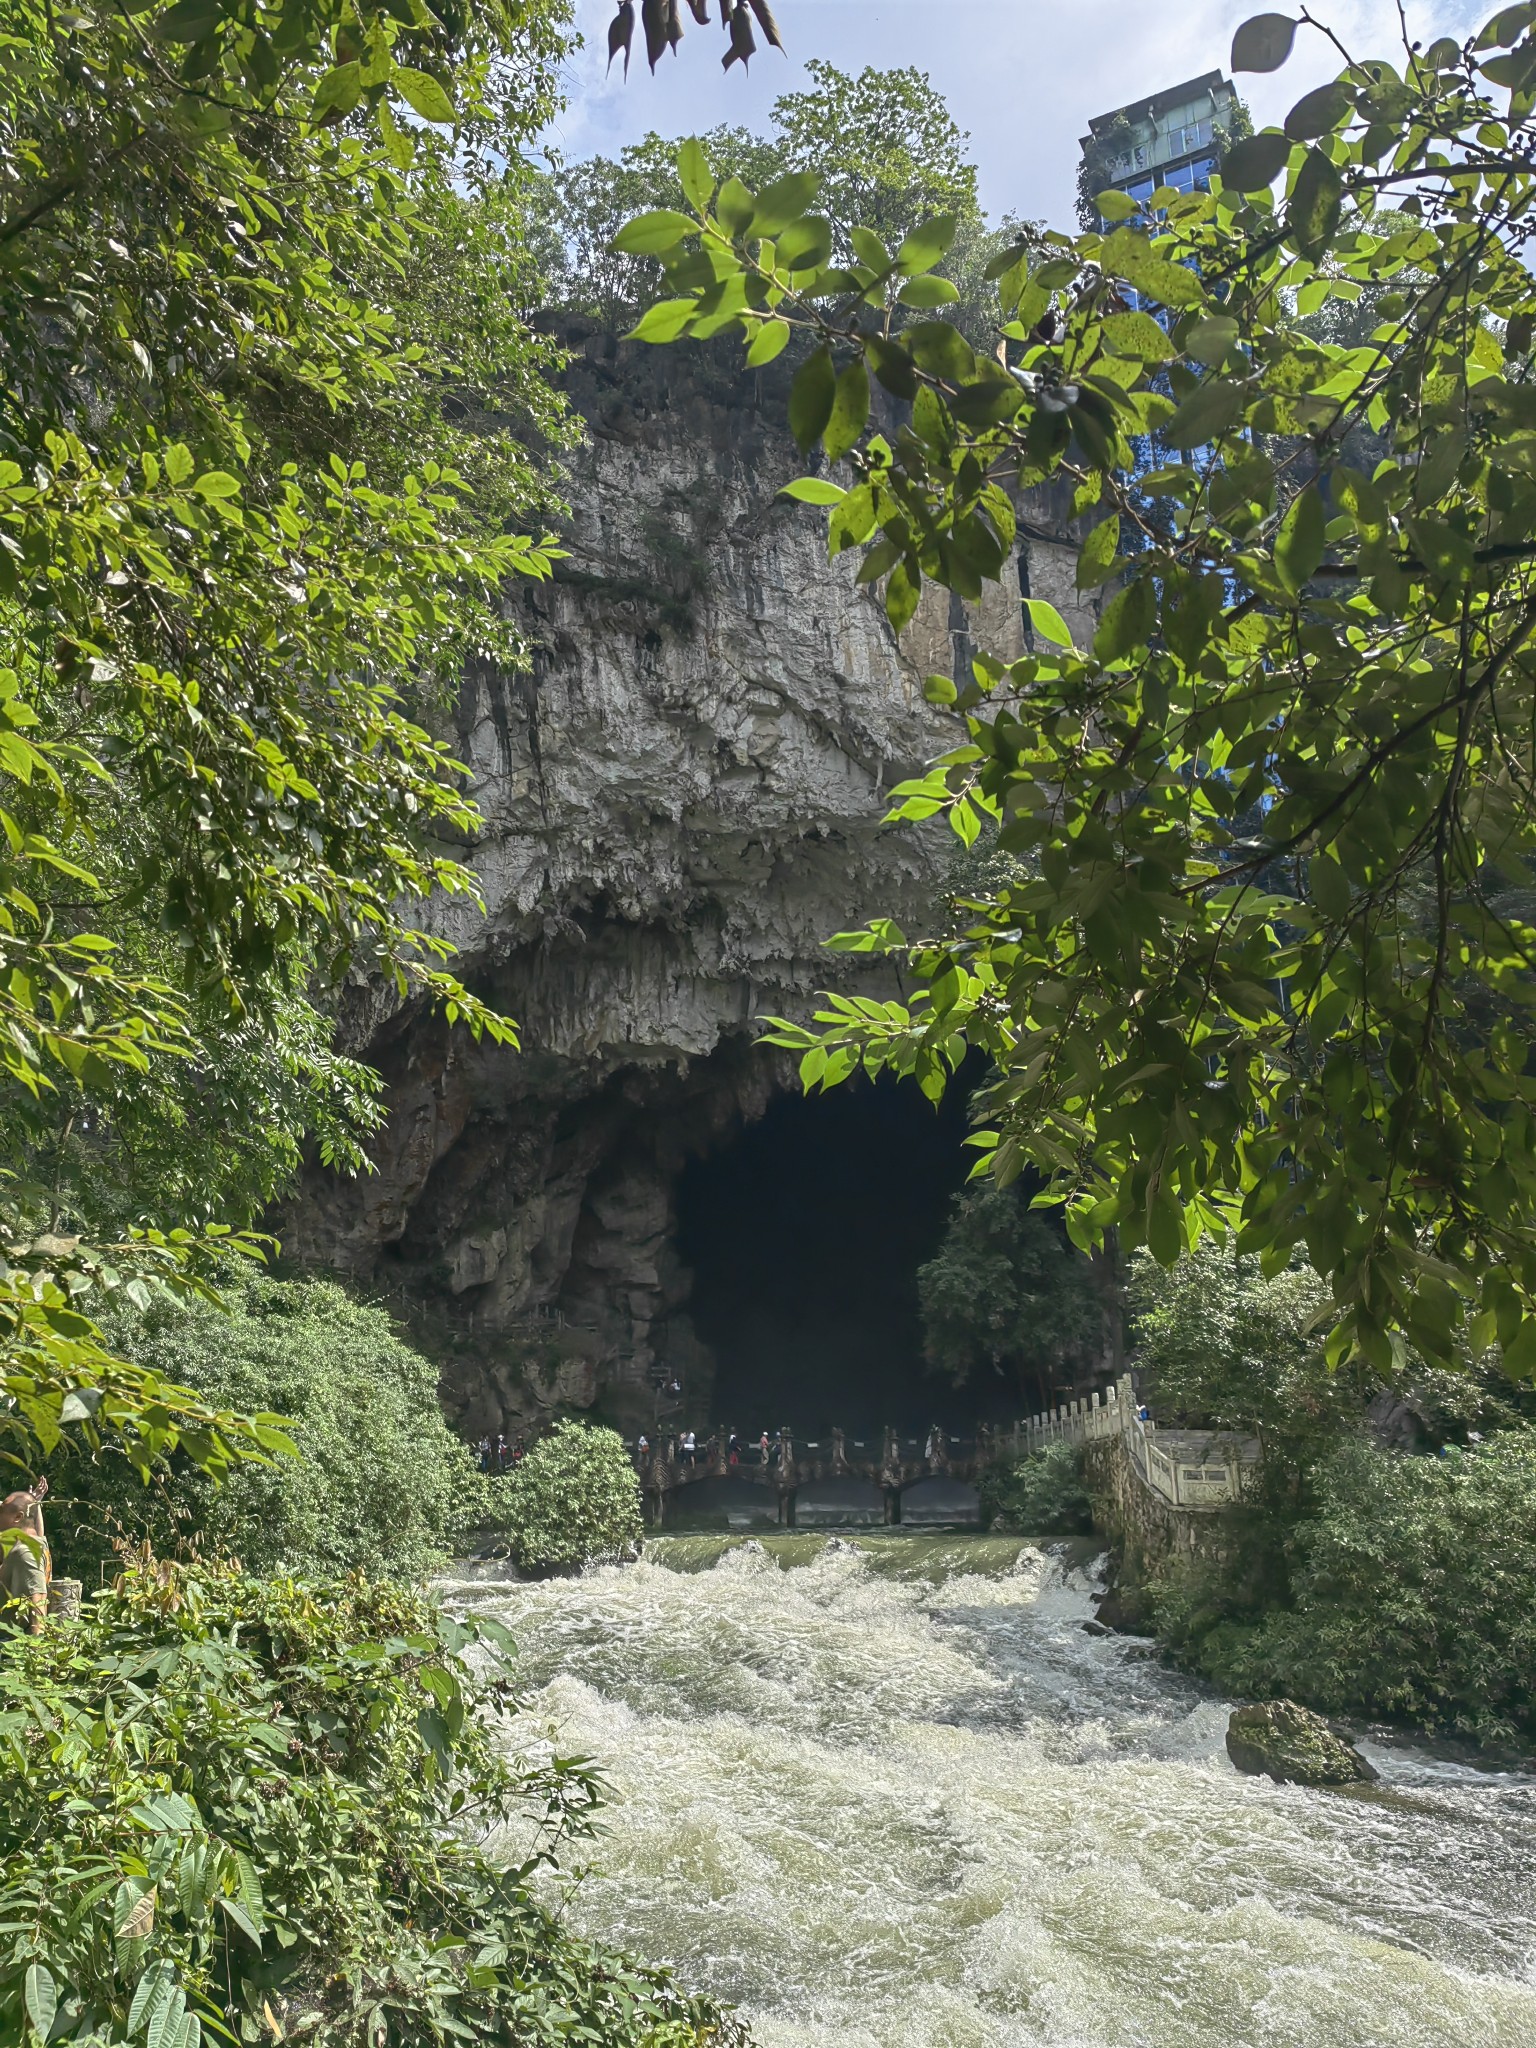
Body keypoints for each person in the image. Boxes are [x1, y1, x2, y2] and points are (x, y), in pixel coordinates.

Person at [0, 1478, 49, 1634]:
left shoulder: (24, 1553)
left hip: (10, 1644)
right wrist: (35, 1505)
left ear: (17, 1518)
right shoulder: (36, 1543)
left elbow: (38, 1599)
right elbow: (36, 1531)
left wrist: (36, 1653)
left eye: (1, 1511)